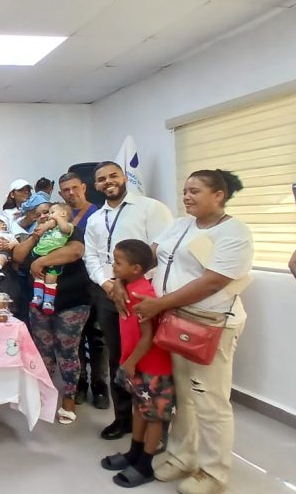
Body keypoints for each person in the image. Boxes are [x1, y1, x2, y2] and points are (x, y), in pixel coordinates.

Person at [132, 169, 252, 494]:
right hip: (176, 320)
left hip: (210, 325)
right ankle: (182, 456)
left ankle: (213, 473)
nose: (187, 197)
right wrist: (123, 278)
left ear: (219, 195)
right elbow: (151, 254)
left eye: (195, 191)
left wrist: (159, 304)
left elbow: (212, 281)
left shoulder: (234, 232)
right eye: (185, 191)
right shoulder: (182, 224)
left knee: (210, 401)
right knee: (184, 397)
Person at [84, 161, 173, 440]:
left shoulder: (151, 208)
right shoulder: (96, 218)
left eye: (113, 175)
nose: (107, 181)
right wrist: (109, 284)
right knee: (118, 358)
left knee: (147, 358)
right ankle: (123, 418)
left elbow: (160, 251)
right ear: (96, 185)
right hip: (109, 295)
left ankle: (154, 425)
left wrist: (128, 283)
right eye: (101, 179)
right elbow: (92, 257)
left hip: (145, 296)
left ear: (124, 177)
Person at [100, 240, 174, 488]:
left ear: (136, 268)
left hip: (152, 366)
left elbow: (147, 337)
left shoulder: (143, 294)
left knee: (153, 416)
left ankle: (145, 463)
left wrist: (129, 362)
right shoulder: (127, 286)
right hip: (136, 363)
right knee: (139, 408)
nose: (113, 265)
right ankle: (134, 452)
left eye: (118, 262)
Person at [12, 209, 91, 425]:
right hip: (38, 303)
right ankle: (43, 394)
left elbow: (75, 252)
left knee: (67, 352)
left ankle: (69, 398)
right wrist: (37, 233)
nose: (47, 215)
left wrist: (40, 262)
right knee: (42, 350)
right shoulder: (38, 234)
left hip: (71, 303)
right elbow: (18, 256)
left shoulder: (73, 231)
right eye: (44, 213)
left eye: (52, 212)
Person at [58, 172, 106, 408]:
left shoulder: (98, 215)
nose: (71, 193)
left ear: (84, 187)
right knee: (73, 340)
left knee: (97, 339)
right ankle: (79, 384)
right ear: (60, 193)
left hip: (96, 284)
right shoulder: (58, 215)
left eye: (74, 188)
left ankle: (100, 386)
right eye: (65, 190)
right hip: (70, 286)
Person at [30, 203, 75, 315]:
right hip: (39, 254)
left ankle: (48, 302)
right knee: (38, 276)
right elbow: (38, 231)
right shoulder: (49, 227)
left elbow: (65, 229)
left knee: (50, 278)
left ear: (63, 214)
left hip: (54, 259)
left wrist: (57, 219)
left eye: (52, 213)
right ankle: (38, 297)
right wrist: (47, 225)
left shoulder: (68, 226)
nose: (49, 215)